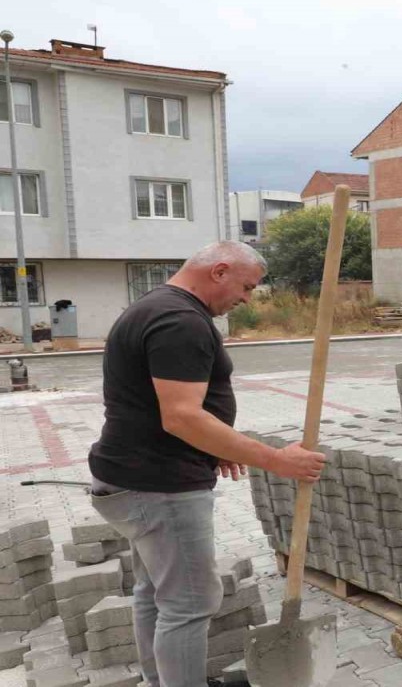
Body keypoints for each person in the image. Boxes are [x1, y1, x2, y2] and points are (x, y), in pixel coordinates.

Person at [87, 242, 327, 687]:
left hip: (130, 477)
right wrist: (275, 459)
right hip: (161, 488)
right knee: (190, 602)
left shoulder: (154, 306)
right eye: (247, 287)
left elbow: (159, 404)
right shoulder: (181, 321)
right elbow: (181, 416)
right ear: (220, 271)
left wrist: (218, 445)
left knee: (156, 594)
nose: (247, 299)